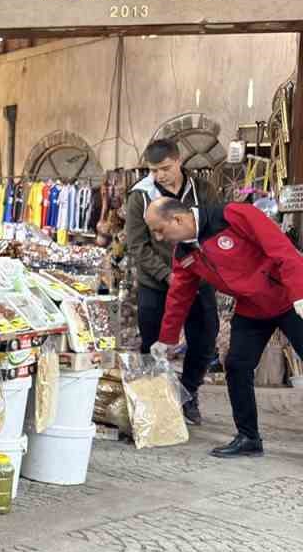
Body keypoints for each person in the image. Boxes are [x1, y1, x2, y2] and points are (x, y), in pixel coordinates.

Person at [147, 197, 303, 458]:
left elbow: (282, 249)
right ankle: (249, 438)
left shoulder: (232, 215)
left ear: (178, 219)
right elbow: (179, 296)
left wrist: (300, 293)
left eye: (160, 229)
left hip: (288, 298)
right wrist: (166, 338)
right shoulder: (184, 254)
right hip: (251, 307)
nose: (159, 237)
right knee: (237, 366)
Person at [123, 139, 218, 424]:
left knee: (204, 338)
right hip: (156, 283)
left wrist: (203, 269)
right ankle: (154, 404)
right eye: (154, 170)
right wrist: (169, 275)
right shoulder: (140, 196)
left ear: (179, 161)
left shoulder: (203, 190)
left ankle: (189, 393)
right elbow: (137, 246)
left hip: (199, 278)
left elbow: (211, 228)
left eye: (165, 168)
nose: (160, 175)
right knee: (154, 344)